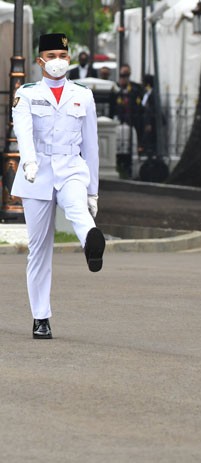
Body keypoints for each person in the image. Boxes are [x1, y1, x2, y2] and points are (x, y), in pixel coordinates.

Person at [11, 33, 106, 339]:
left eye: (62, 56)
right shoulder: (26, 94)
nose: (57, 61)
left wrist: (93, 191)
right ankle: (41, 317)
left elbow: (91, 145)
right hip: (37, 171)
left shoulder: (83, 94)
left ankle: (91, 242)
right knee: (39, 248)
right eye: (51, 56)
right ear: (40, 61)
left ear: (69, 59)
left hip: (71, 166)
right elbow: (23, 131)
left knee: (77, 206)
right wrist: (28, 161)